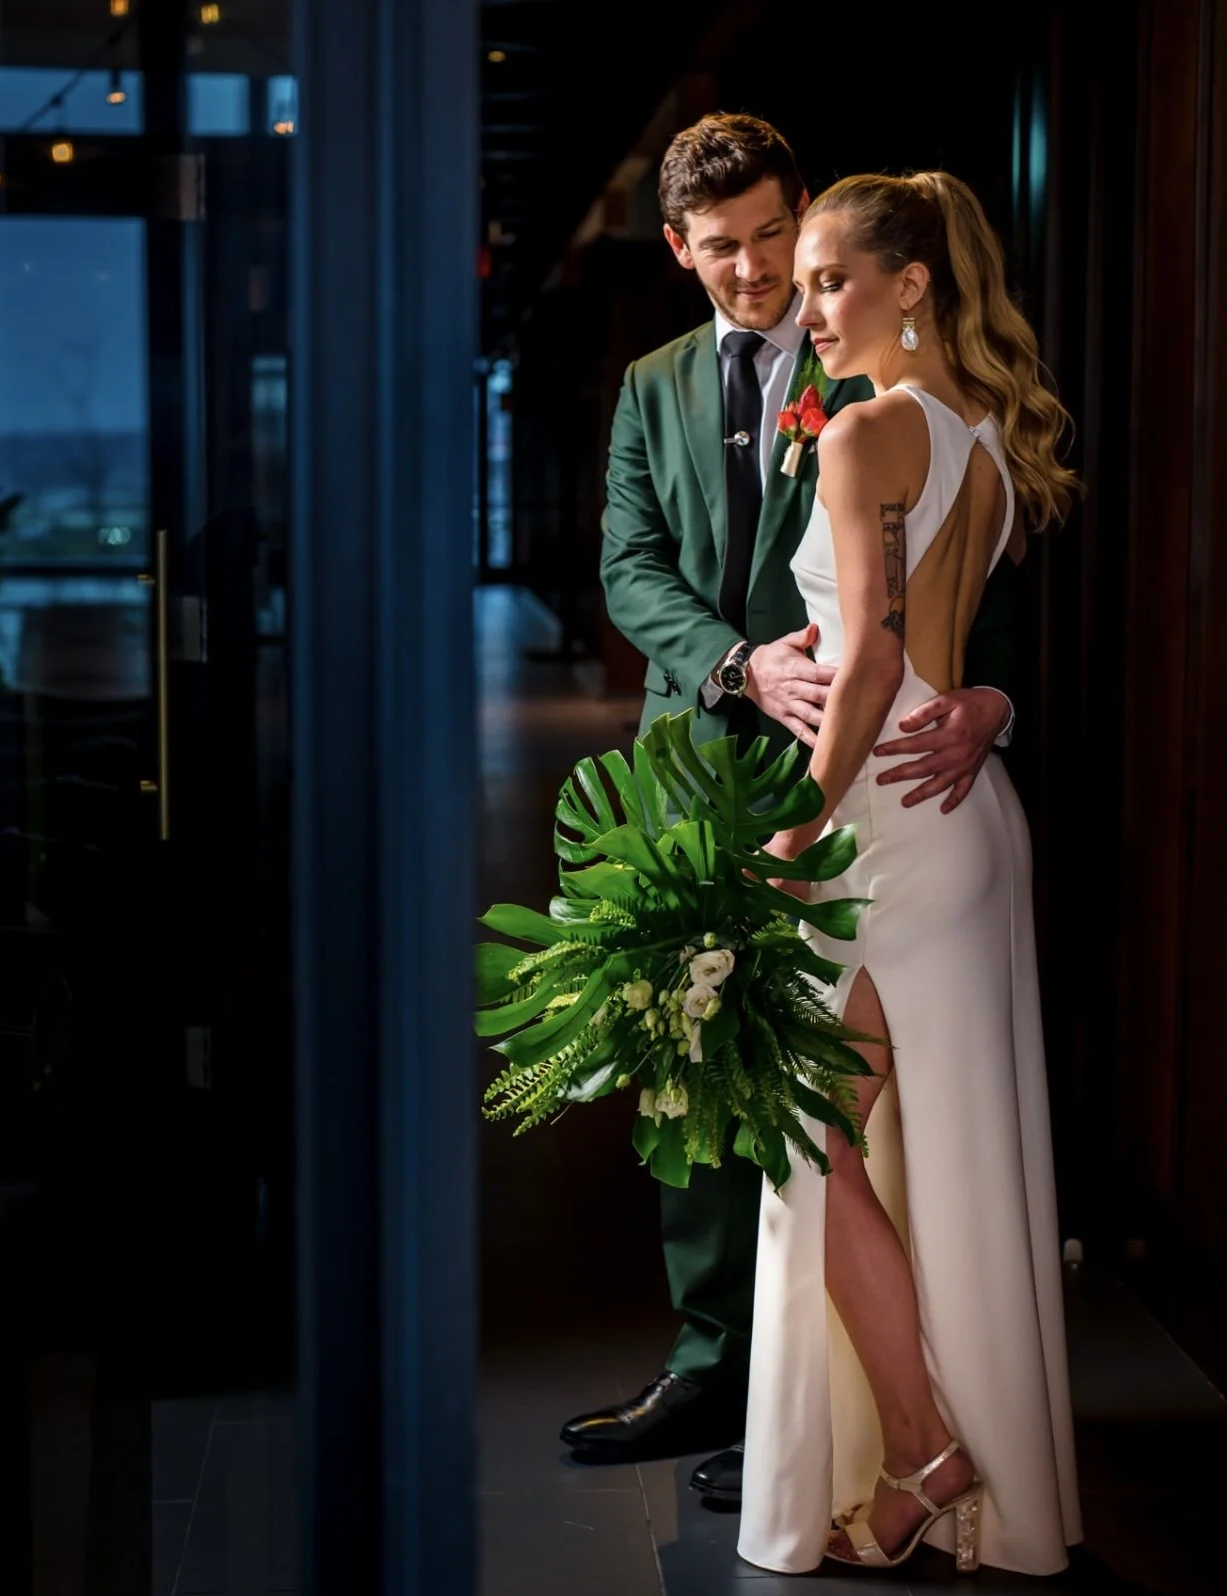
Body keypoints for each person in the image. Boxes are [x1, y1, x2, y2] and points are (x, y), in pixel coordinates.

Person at [564, 113, 1021, 1469]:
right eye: (725, 249)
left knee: (823, 1118)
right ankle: (714, 1368)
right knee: (695, 1075)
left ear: (807, 215)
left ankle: (818, 1408)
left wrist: (995, 699)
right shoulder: (652, 384)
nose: (759, 272)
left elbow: (950, 579)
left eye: (778, 238)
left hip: (852, 784)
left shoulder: (870, 366)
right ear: (678, 249)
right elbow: (629, 564)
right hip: (694, 767)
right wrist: (738, 663)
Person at [736, 170, 1081, 1576]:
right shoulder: (985, 433)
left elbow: (875, 658)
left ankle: (925, 1450)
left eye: (831, 278)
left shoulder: (866, 430)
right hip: (966, 817)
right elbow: (927, 648)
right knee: (888, 1143)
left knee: (806, 1138)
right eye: (807, 281)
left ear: (912, 282)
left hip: (886, 818)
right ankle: (931, 1456)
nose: (808, 305)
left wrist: (798, 831)